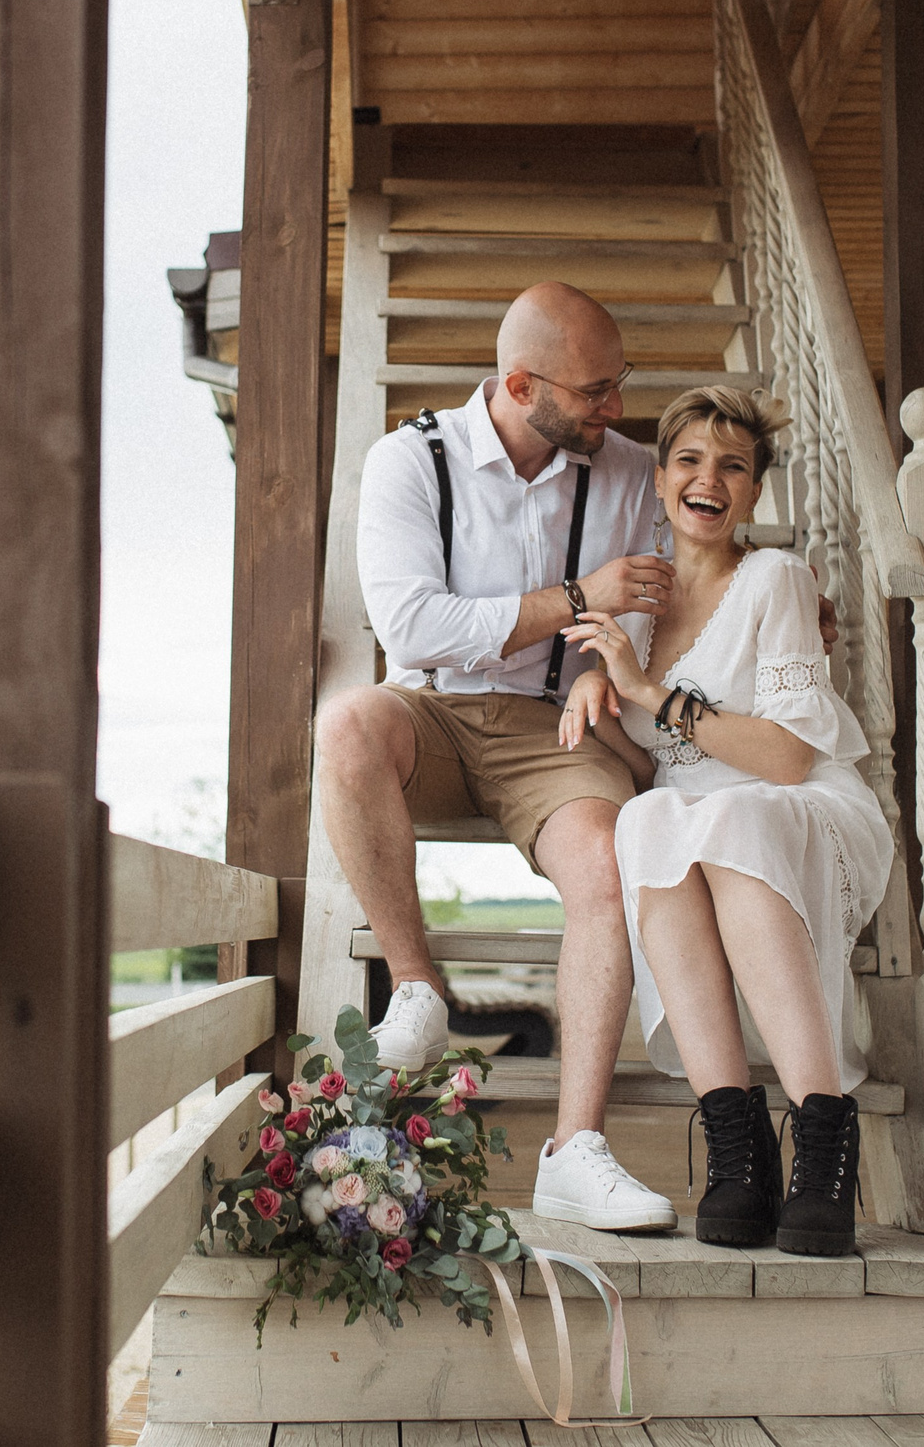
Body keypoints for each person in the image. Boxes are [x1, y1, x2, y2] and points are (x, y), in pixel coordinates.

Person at [315, 280, 679, 1232]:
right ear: (522, 385)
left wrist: (616, 653)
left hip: (559, 725)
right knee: (347, 722)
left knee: (606, 861)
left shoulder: (633, 470)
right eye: (596, 390)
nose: (616, 407)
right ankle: (419, 988)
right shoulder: (409, 460)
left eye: (620, 382)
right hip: (431, 713)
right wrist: (574, 598)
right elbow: (411, 622)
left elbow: (655, 595)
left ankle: (576, 1151)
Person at [556, 384, 893, 1258]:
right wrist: (599, 693)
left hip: (800, 803)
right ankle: (738, 1152)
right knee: (649, 824)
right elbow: (649, 766)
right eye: (691, 460)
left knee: (730, 818)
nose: (711, 479)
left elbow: (784, 758)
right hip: (700, 821)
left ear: (753, 490)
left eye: (734, 466)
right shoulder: (635, 603)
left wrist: (646, 692)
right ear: (662, 479)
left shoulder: (775, 578)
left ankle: (823, 1144)